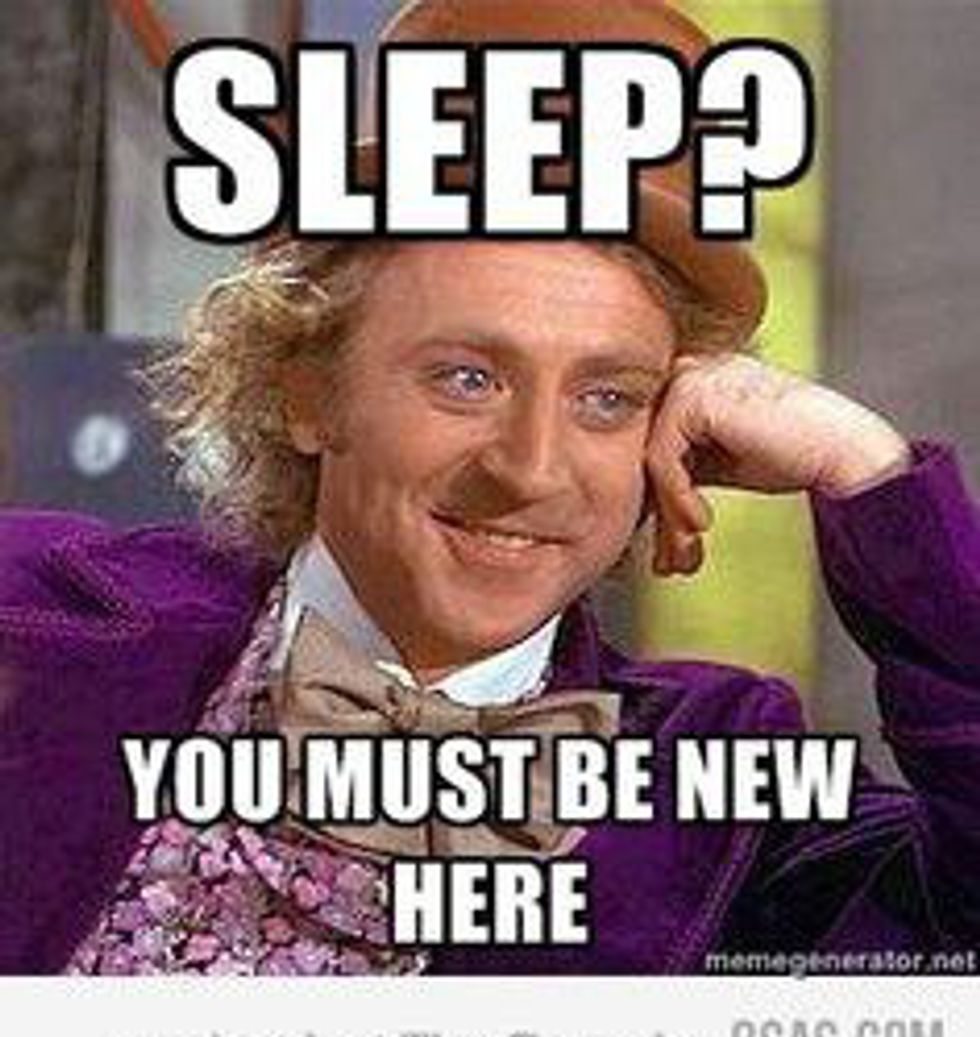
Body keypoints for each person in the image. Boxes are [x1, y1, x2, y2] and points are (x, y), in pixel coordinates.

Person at [1, 0, 978, 975]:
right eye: (467, 378)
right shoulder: (28, 611)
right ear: (310, 389)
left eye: (606, 397)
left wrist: (868, 474)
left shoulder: (727, 792)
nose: (530, 468)